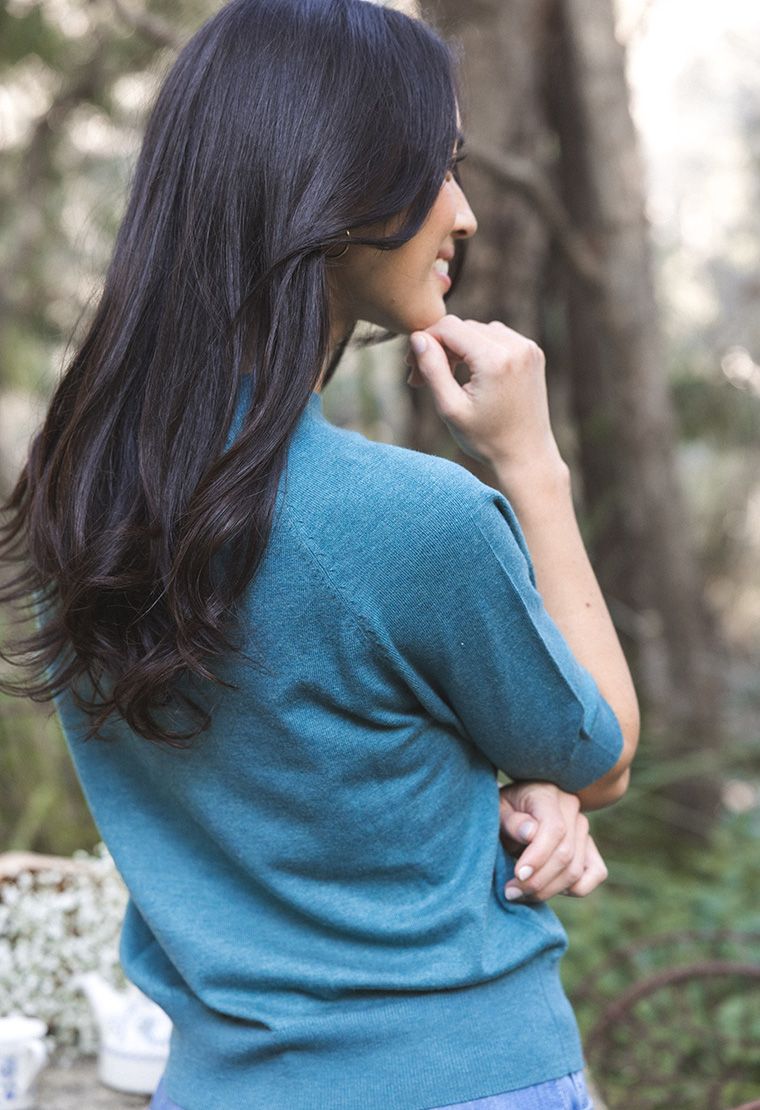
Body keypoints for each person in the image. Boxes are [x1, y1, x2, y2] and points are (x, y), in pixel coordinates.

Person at [0, 0, 640, 1107]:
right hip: (458, 1077)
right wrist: (533, 468)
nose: (464, 213)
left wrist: (504, 789)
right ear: (335, 193)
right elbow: (604, 753)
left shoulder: (84, 509)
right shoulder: (413, 520)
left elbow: (317, 766)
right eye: (437, 167)